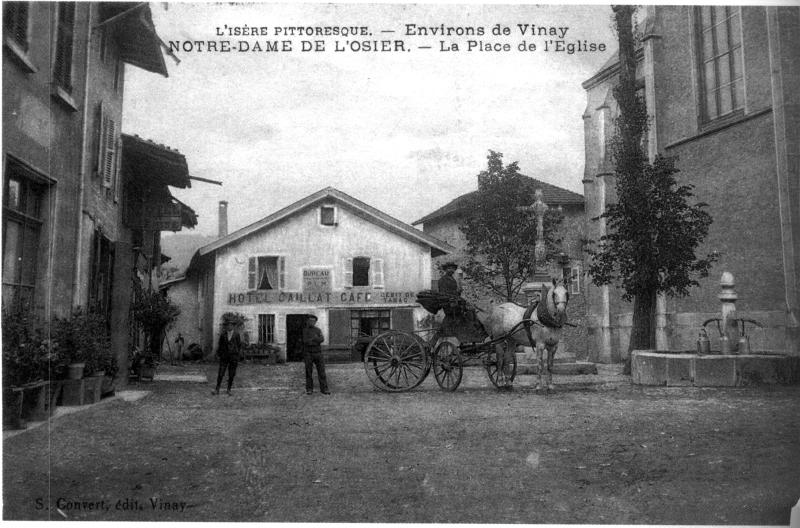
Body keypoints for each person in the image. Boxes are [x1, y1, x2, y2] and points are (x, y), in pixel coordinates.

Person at [302, 314, 329, 395]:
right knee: (308, 372)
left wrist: (314, 339)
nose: (312, 322)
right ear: (307, 321)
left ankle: (324, 389)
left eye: (314, 321)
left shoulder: (318, 330)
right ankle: (309, 389)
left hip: (318, 353)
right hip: (308, 354)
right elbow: (305, 341)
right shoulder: (305, 330)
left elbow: (322, 339)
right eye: (310, 321)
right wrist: (316, 339)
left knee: (322, 372)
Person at [213, 320, 241, 395]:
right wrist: (219, 354)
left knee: (231, 374)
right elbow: (220, 345)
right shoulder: (223, 335)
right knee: (221, 373)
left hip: (233, 357)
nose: (229, 326)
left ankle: (229, 389)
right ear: (226, 326)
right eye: (228, 325)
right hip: (224, 356)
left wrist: (237, 355)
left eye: (231, 325)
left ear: (233, 326)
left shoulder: (236, 334)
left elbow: (239, 345)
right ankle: (217, 389)